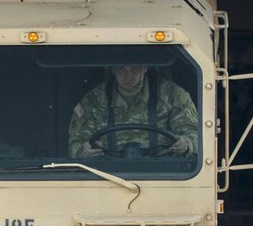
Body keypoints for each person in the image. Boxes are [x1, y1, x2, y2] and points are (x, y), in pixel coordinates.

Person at [68, 65, 199, 158]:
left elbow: (198, 137)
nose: (128, 75)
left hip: (163, 174)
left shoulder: (174, 95)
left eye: (134, 68)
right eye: (121, 68)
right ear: (113, 69)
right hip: (107, 175)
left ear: (145, 68)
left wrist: (186, 144)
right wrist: (83, 151)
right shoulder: (92, 101)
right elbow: (76, 142)